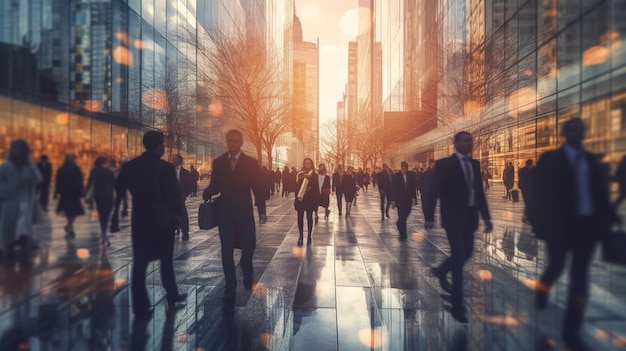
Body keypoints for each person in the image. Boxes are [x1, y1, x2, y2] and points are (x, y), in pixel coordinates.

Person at [530, 118, 616, 350]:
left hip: (586, 227)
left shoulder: (590, 160)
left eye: (580, 129)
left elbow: (600, 192)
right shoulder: (551, 158)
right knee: (556, 266)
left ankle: (572, 327)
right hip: (560, 227)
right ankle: (543, 287)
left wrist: (610, 217)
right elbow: (537, 191)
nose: (577, 133)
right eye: (573, 129)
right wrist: (536, 220)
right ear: (565, 133)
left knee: (580, 278)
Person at [114, 131, 186, 319]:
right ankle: (172, 296)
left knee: (140, 263)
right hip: (162, 220)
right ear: (158, 146)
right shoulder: (166, 167)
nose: (164, 147)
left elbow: (119, 187)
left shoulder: (130, 166)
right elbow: (174, 195)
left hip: (140, 219)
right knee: (166, 260)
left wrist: (121, 208)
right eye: (162, 144)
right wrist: (177, 216)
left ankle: (140, 306)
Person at [424, 131, 493, 323]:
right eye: (465, 140)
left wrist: (486, 217)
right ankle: (457, 305)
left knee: (466, 254)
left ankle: (440, 271)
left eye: (471, 140)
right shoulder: (445, 164)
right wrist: (428, 216)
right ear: (456, 143)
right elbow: (433, 191)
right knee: (458, 256)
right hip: (452, 217)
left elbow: (479, 192)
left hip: (470, 217)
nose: (469, 143)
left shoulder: (474, 164)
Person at [202, 129, 265, 300]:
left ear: (241, 142)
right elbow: (215, 185)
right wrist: (208, 191)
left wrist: (262, 210)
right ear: (226, 142)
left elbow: (257, 188)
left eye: (236, 141)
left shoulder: (250, 163)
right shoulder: (219, 162)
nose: (232, 144)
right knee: (226, 248)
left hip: (244, 212)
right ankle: (230, 283)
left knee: (248, 247)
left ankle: (247, 271)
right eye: (229, 141)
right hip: (226, 213)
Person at [0, 139, 42, 263]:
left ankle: (23, 262)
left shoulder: (29, 168)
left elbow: (37, 180)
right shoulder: (5, 167)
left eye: (22, 149)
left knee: (23, 232)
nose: (19, 152)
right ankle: (8, 259)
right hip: (9, 203)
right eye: (16, 148)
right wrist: (7, 190)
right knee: (8, 231)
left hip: (25, 204)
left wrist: (31, 166)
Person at [85, 156, 115, 247]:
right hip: (108, 195)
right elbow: (114, 184)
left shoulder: (93, 171)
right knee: (106, 214)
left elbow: (89, 183)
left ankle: (103, 232)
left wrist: (85, 193)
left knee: (101, 214)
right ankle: (104, 233)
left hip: (98, 195)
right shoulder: (109, 172)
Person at [55, 153, 85, 239]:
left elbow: (80, 180)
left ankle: (69, 225)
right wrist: (57, 192)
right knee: (70, 211)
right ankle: (70, 226)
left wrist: (81, 190)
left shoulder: (74, 168)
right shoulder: (65, 168)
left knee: (73, 211)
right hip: (68, 192)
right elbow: (58, 181)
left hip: (73, 192)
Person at [294, 158, 319, 246]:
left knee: (309, 217)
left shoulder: (315, 175)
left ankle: (309, 235)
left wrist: (310, 179)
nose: (307, 165)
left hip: (310, 199)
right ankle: (301, 235)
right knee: (300, 217)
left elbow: (316, 188)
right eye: (305, 163)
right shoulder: (300, 174)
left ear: (311, 164)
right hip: (301, 198)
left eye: (309, 163)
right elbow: (296, 186)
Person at [390, 161, 417, 241]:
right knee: (402, 215)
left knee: (406, 214)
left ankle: (399, 223)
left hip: (408, 199)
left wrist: (415, 198)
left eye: (406, 168)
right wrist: (393, 200)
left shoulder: (411, 175)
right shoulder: (395, 176)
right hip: (400, 199)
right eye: (404, 169)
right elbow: (392, 188)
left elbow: (413, 187)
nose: (406, 170)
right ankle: (403, 234)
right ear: (401, 168)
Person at [172, 154, 193, 241]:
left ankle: (185, 231)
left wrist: (184, 194)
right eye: (173, 159)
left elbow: (189, 186)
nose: (173, 160)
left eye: (175, 159)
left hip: (181, 196)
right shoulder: (169, 171)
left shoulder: (185, 172)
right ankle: (174, 228)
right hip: (172, 196)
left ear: (180, 161)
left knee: (182, 213)